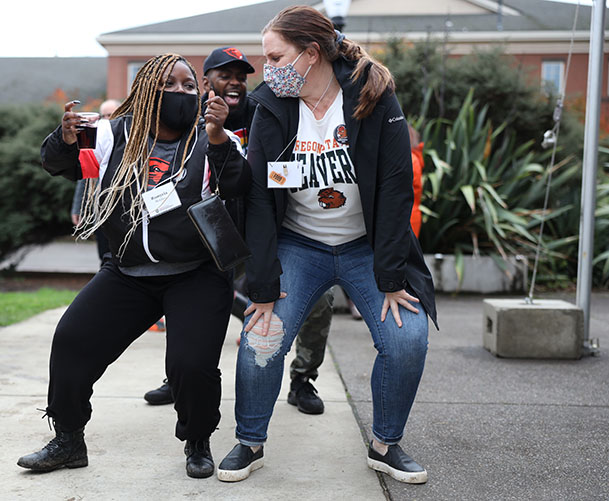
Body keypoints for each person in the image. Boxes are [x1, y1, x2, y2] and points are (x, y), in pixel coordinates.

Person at [216, 6, 437, 485]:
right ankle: (249, 441)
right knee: (262, 335)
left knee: (406, 340)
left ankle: (385, 444)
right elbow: (257, 196)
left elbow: (399, 188)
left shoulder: (373, 96)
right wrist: (262, 284)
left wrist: (393, 277)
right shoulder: (271, 105)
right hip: (300, 244)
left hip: (365, 246)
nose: (267, 66)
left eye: (275, 55)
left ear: (310, 53)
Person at [17, 53, 251, 479]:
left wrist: (217, 136)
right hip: (126, 273)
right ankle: (69, 440)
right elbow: (60, 165)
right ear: (146, 90)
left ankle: (197, 441)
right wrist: (64, 139)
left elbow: (237, 184)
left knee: (191, 365)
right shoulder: (111, 135)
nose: (181, 92)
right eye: (170, 85)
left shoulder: (213, 137)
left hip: (195, 272)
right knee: (72, 341)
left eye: (188, 86)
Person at [144, 46, 333, 416]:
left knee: (320, 302)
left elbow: (293, 170)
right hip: (210, 231)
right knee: (193, 306)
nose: (233, 83)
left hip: (265, 227)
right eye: (224, 75)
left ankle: (303, 378)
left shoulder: (265, 113)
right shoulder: (186, 116)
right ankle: (180, 379)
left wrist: (267, 175)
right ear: (205, 81)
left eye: (240, 76)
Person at [70, 99, 121, 261]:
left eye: (111, 115)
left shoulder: (127, 138)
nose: (107, 119)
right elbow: (85, 176)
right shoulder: (93, 140)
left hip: (122, 211)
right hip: (100, 211)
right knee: (104, 257)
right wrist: (77, 208)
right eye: (103, 116)